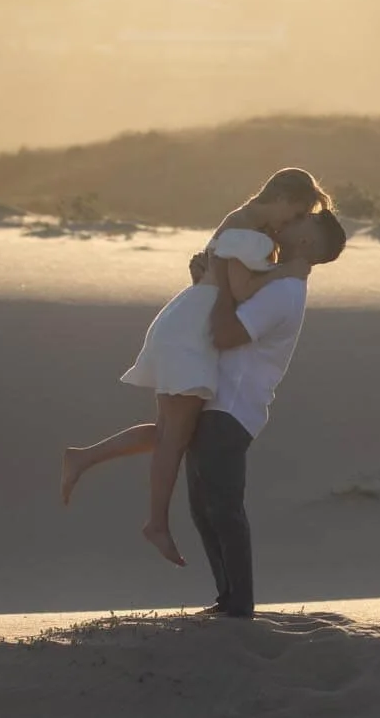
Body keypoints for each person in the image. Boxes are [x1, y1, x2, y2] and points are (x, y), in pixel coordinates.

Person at [60, 169, 330, 563]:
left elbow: (224, 282)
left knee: (171, 429)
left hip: (185, 323)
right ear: (284, 198)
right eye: (294, 215)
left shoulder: (240, 222)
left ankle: (83, 458)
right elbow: (239, 291)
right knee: (174, 437)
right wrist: (284, 271)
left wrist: (224, 274)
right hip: (191, 334)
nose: (288, 225)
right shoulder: (249, 233)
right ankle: (155, 523)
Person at [186, 207, 347, 617]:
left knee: (222, 507)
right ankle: (227, 599)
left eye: (301, 219)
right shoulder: (271, 278)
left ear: (308, 241)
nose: (289, 219)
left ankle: (239, 605)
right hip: (215, 401)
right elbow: (221, 318)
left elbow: (225, 334)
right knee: (204, 508)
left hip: (233, 407)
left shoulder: (284, 290)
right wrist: (205, 283)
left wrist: (219, 278)